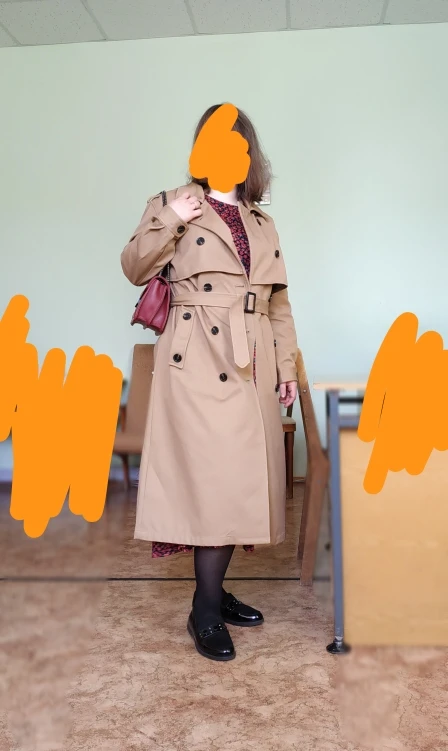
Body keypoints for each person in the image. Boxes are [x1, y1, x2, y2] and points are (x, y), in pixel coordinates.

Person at [121, 104, 298, 662]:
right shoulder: (173, 203)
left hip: (253, 359)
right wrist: (171, 217)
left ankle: (214, 594)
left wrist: (287, 368)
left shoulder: (261, 222)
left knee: (240, 480)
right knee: (213, 481)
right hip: (196, 357)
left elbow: (278, 305)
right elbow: (134, 266)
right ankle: (204, 608)